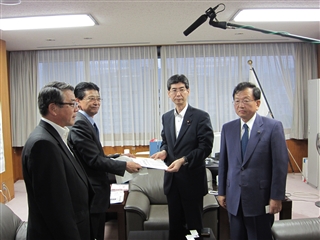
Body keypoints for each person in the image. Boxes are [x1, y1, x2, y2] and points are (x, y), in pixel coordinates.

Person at [67, 82, 142, 240]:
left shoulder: (88, 121)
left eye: (98, 99)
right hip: (90, 190)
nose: (96, 102)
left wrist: (120, 156)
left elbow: (95, 155)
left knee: (98, 228)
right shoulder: (80, 124)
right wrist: (125, 165)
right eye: (91, 98)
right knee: (94, 231)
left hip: (95, 189)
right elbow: (93, 160)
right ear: (78, 101)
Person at [22, 82, 94, 240]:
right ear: (53, 108)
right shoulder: (43, 144)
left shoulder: (57, 135)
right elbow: (55, 208)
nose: (77, 108)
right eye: (72, 104)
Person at [217, 82, 289, 240]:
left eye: (245, 100)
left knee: (259, 236)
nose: (240, 105)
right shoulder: (228, 128)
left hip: (260, 198)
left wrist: (277, 196)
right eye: (236, 101)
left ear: (257, 103)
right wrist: (221, 191)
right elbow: (224, 164)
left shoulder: (273, 127)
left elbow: (280, 166)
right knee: (236, 236)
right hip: (234, 197)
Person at [151, 74, 214, 234]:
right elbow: (166, 140)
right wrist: (164, 151)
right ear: (168, 93)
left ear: (188, 91)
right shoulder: (166, 117)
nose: (178, 94)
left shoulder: (200, 116)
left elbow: (205, 148)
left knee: (193, 227)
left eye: (181, 89)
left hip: (192, 180)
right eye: (174, 90)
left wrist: (184, 160)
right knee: (176, 226)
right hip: (172, 182)